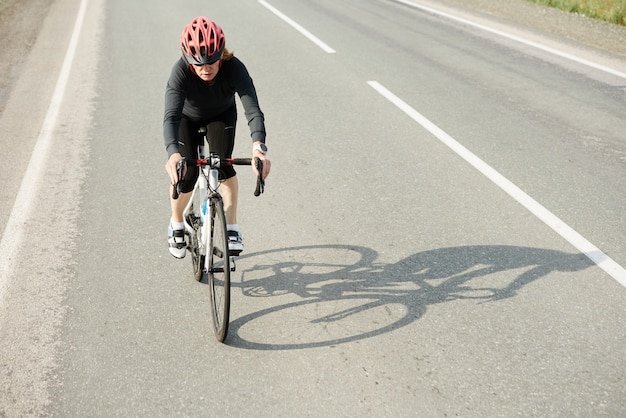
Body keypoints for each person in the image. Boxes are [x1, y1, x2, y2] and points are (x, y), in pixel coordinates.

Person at [163, 16, 271, 259]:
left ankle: (231, 228)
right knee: (186, 172)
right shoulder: (180, 71)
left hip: (220, 115)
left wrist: (259, 148)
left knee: (224, 165)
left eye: (211, 61)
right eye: (198, 64)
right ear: (188, 59)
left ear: (221, 53)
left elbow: (252, 110)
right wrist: (173, 154)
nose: (206, 68)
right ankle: (176, 223)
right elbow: (170, 116)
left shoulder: (234, 68)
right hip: (185, 119)